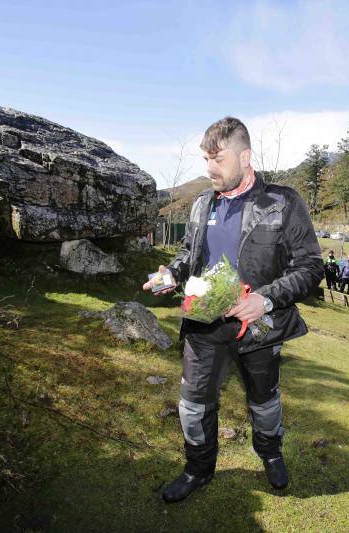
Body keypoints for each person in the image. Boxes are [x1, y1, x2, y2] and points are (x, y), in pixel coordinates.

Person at [142, 117, 323, 503]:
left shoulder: (283, 202)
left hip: (259, 328)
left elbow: (310, 267)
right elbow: (188, 256)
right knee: (193, 405)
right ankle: (197, 470)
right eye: (206, 159)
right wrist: (172, 274)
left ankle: (271, 454)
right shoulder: (201, 204)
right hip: (205, 324)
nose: (210, 168)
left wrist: (266, 298)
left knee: (264, 399)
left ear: (245, 157)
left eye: (218, 159)